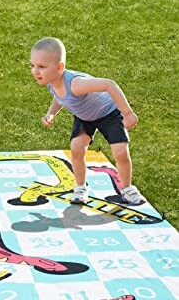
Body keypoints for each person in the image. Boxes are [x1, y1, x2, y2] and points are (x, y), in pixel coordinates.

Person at [30, 37, 145, 206]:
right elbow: (59, 97)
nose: (35, 71)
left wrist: (127, 113)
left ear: (59, 68)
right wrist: (51, 113)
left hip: (109, 114)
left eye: (41, 67)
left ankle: (127, 190)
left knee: (120, 151)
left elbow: (109, 84)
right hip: (85, 117)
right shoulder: (51, 82)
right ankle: (80, 188)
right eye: (32, 66)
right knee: (76, 148)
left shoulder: (76, 84)